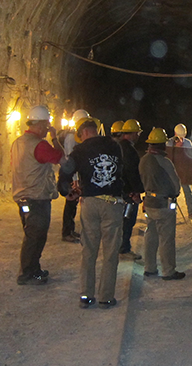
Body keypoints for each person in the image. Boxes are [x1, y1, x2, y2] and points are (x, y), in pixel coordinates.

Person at [58, 117, 125, 309]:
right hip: (112, 202)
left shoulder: (79, 151)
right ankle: (106, 297)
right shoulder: (115, 146)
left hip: (90, 203)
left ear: (83, 133)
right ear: (96, 129)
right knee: (111, 251)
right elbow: (122, 171)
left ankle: (86, 295)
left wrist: (67, 192)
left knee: (89, 250)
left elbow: (65, 173)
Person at [11, 105, 65, 285]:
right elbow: (61, 158)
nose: (48, 128)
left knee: (31, 234)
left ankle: (32, 268)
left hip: (23, 197)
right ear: (41, 125)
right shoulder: (40, 145)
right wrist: (55, 138)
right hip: (37, 198)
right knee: (36, 236)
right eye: (47, 124)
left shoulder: (18, 142)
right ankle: (28, 273)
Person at [139, 127, 186, 280]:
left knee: (150, 236)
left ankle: (150, 267)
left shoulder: (143, 160)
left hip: (149, 202)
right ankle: (168, 271)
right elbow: (176, 185)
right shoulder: (165, 162)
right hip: (164, 204)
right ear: (162, 144)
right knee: (166, 238)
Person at [59, 109, 90, 243]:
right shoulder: (72, 138)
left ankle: (70, 230)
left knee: (74, 202)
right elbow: (71, 160)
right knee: (71, 201)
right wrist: (75, 180)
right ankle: (67, 232)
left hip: (73, 175)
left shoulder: (74, 136)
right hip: (71, 175)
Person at [117, 119, 145, 261]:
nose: (138, 136)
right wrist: (136, 191)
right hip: (128, 193)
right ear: (133, 133)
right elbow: (132, 173)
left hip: (119, 190)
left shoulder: (118, 147)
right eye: (137, 133)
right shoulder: (130, 151)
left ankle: (118, 246)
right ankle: (124, 248)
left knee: (120, 220)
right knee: (128, 220)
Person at [166, 123, 192, 220]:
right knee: (171, 193)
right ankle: (170, 212)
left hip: (184, 172)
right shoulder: (169, 143)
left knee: (188, 192)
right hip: (172, 172)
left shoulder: (188, 143)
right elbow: (167, 156)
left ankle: (191, 212)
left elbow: (191, 157)